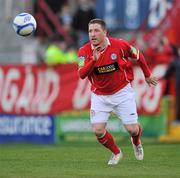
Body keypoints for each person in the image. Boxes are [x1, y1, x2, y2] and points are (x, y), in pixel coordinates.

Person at [78, 18, 158, 165]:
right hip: (99, 96)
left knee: (133, 130)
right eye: (90, 31)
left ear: (105, 32)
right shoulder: (84, 51)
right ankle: (116, 152)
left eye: (96, 30)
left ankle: (136, 142)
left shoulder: (120, 45)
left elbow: (138, 55)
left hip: (122, 93)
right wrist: (93, 61)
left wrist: (147, 75)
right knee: (98, 131)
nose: (92, 34)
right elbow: (82, 74)